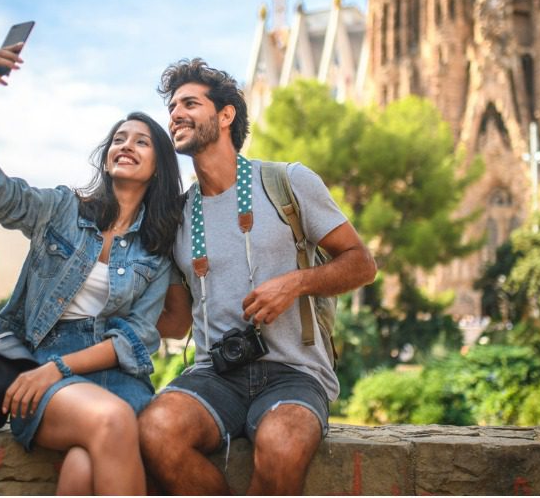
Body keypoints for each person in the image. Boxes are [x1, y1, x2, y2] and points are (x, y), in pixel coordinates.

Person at [138, 58, 377, 495]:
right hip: (215, 373)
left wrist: (296, 282)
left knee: (282, 444)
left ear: (225, 115)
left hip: (295, 372)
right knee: (155, 429)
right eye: (172, 107)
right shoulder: (177, 215)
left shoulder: (287, 182)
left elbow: (362, 263)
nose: (175, 114)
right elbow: (176, 322)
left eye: (190, 103)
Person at [0, 44, 186, 495]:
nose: (127, 145)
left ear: (159, 166)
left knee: (83, 468)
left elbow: (136, 338)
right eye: (119, 139)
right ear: (107, 155)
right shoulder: (62, 209)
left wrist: (62, 367)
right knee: (112, 421)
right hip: (38, 368)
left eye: (141, 141)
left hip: (116, 375)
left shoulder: (156, 248)